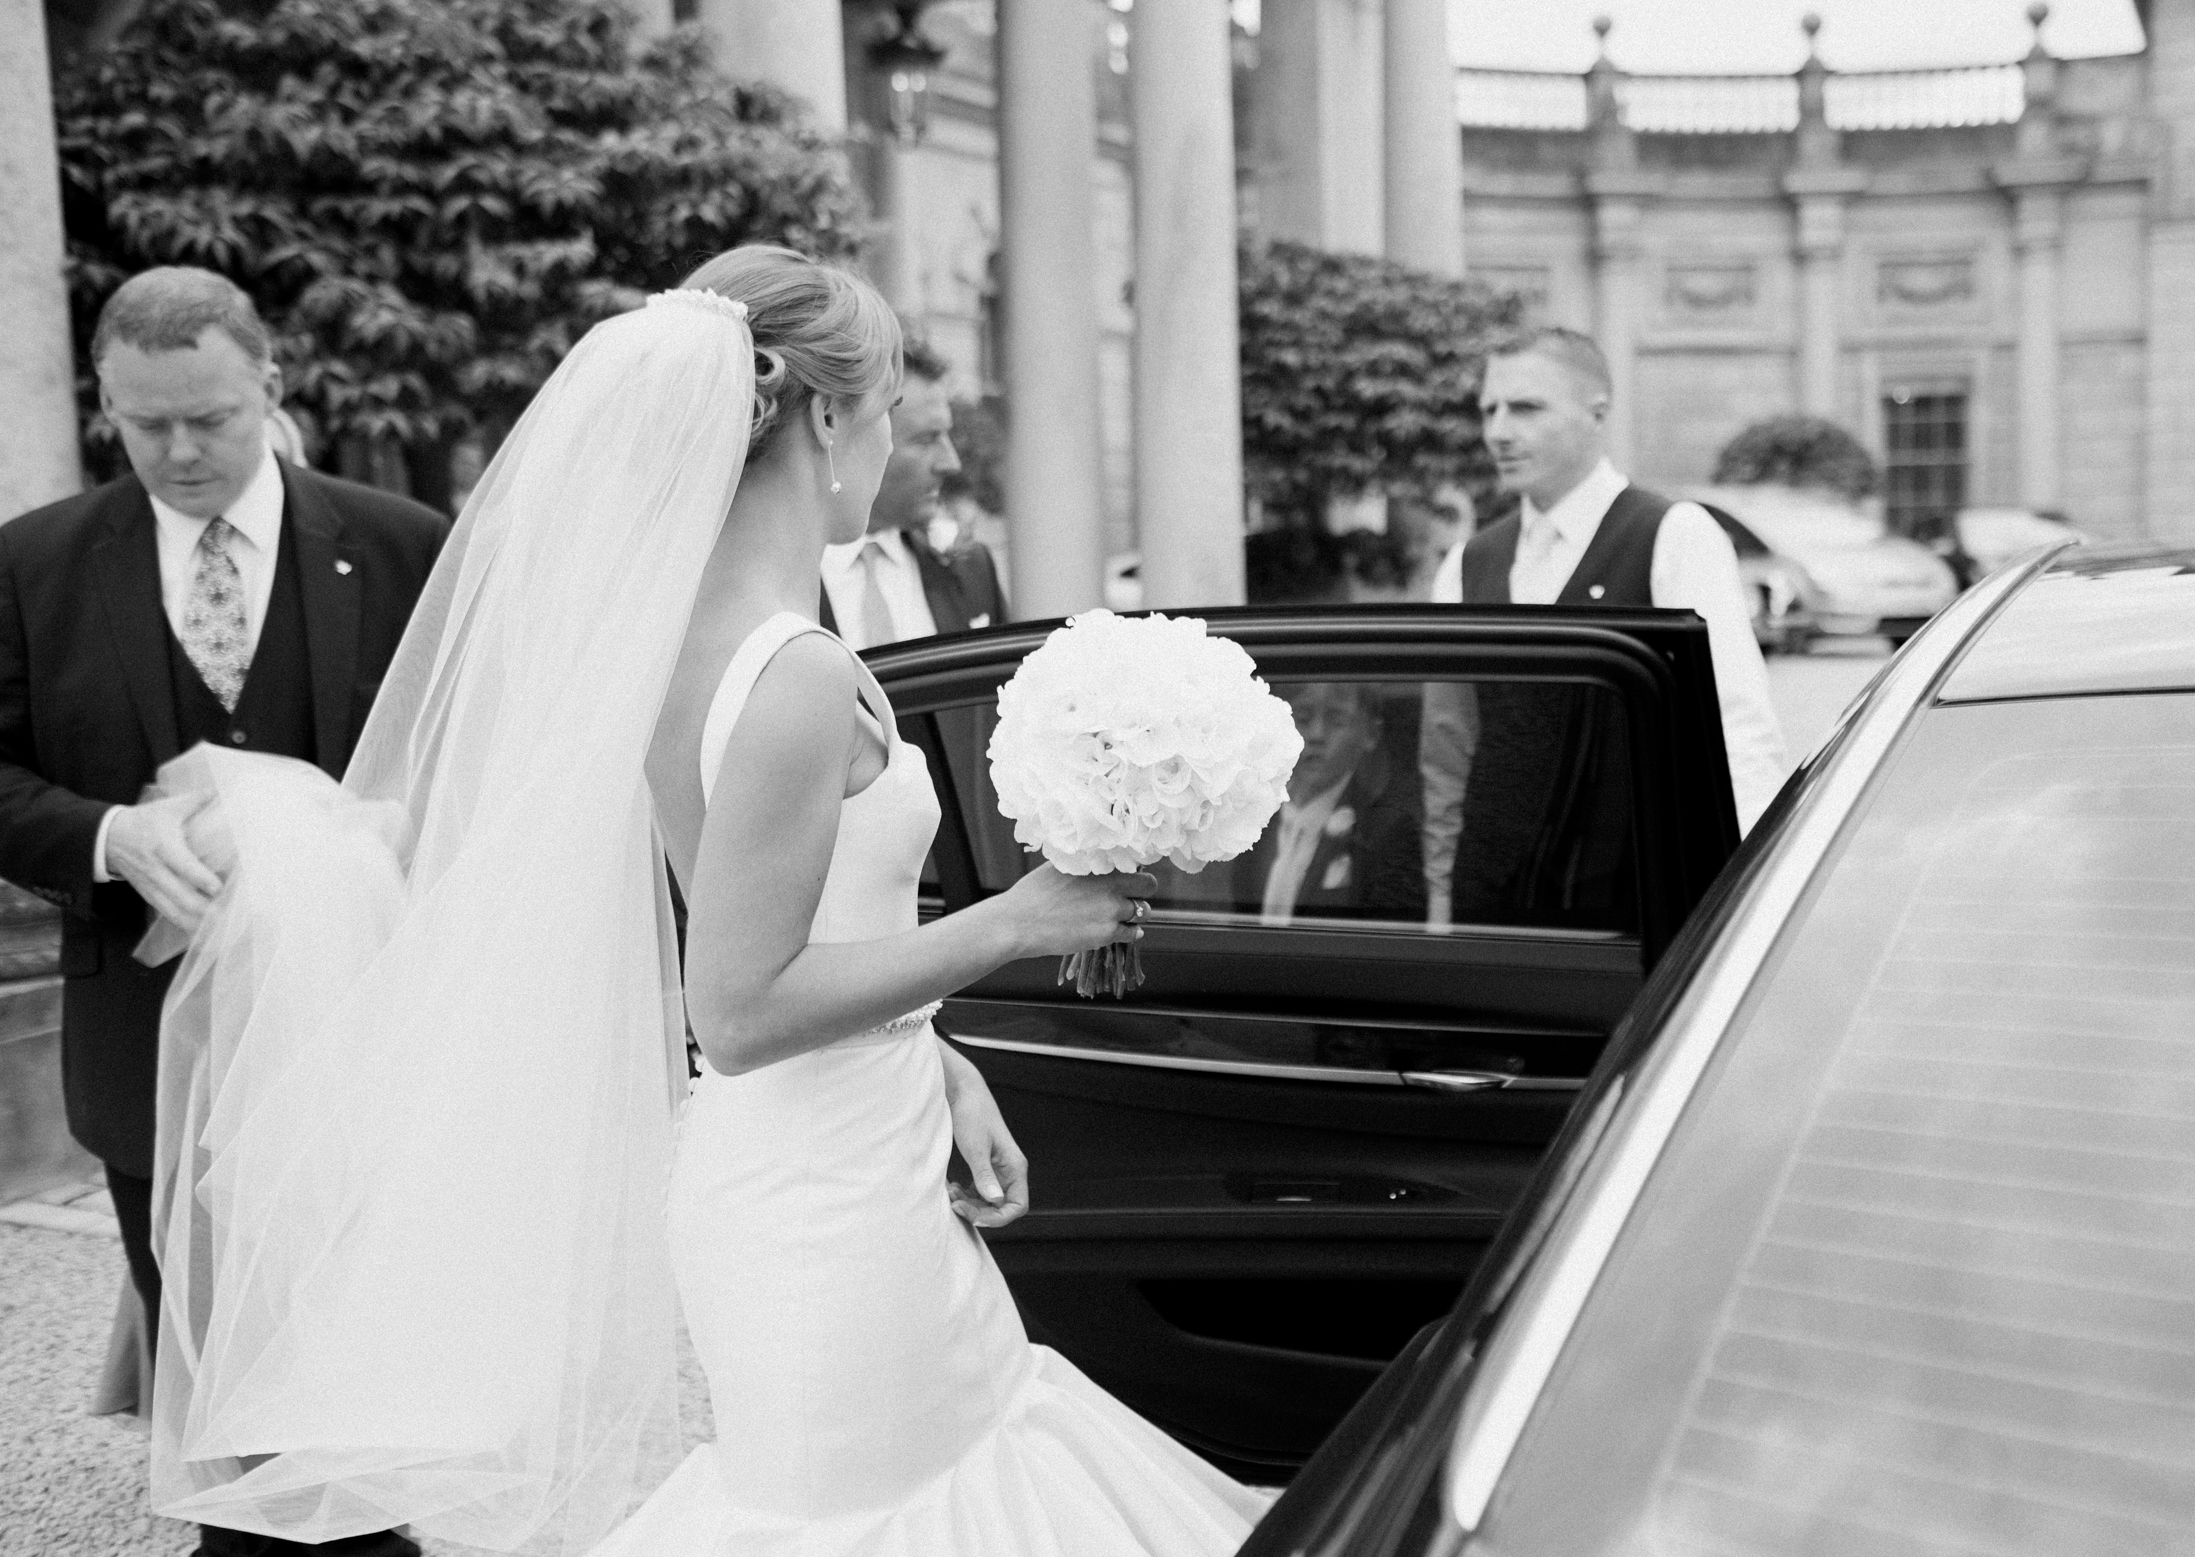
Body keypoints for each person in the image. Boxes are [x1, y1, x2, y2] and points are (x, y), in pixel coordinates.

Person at [143, 247, 1264, 1557]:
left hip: (841, 1149)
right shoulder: (788, 673)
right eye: (893, 396)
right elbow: (736, 1006)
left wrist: (935, 1054)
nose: (901, 428)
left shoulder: (687, 631)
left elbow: (780, 938)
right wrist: (1017, 921)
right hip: (813, 1202)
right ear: (827, 416)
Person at [0, 267, 446, 1557]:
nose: (182, 452)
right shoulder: (32, 566)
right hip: (144, 1050)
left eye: (211, 416)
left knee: (361, 1368)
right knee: (214, 1391)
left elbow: (474, 761)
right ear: (107, 407)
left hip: (365, 1037)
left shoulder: (403, 541)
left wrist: (387, 839)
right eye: (147, 425)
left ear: (272, 384)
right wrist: (103, 835)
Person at [1421, 328, 1791, 926]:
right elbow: (1447, 755)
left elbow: (1734, 724)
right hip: (1491, 903)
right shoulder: (1468, 564)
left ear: (1597, 413)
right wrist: (1440, 898)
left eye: (1526, 407)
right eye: (1489, 409)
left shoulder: (1674, 536)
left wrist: (1744, 888)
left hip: (1635, 898)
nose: (1499, 431)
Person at [819, 337, 1007, 647]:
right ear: (862, 438)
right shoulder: (772, 587)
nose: (951, 463)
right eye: (926, 439)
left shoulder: (973, 571)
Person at [1241, 682, 1423, 926]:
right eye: (1302, 719)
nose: (1316, 735)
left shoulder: (1386, 832)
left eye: (1337, 720)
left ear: (1371, 734)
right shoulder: (1253, 819)